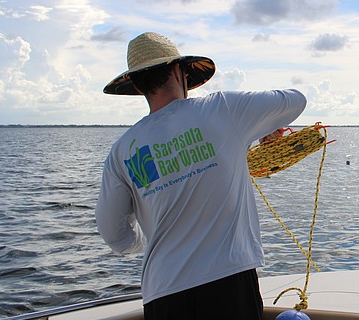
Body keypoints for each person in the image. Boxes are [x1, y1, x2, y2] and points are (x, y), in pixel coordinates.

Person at [96, 32, 307, 320]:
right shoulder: (222, 109)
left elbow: (114, 234)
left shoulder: (122, 150)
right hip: (228, 281)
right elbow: (295, 100)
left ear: (137, 84)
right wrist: (257, 126)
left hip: (163, 291)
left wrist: (151, 243)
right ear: (178, 71)